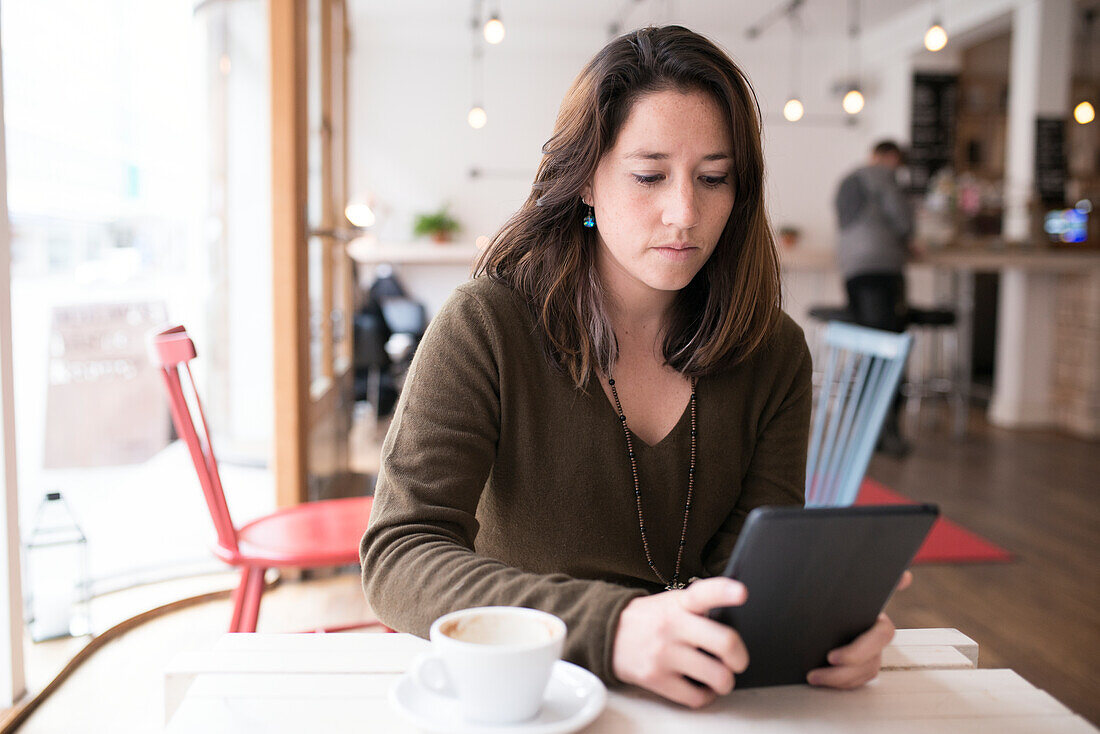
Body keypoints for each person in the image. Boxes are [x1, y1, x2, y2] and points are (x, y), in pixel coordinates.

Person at [361, 25, 906, 709]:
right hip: (532, 698)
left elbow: (744, 577)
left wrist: (816, 625)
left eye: (714, 178)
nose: (685, 212)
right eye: (649, 176)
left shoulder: (774, 354)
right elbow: (400, 552)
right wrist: (609, 628)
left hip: (702, 699)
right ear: (586, 181)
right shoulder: (487, 326)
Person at [834, 140, 918, 457]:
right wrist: (910, 238)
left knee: (870, 348)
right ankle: (888, 433)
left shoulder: (848, 180)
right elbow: (902, 218)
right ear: (891, 157)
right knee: (889, 351)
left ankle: (866, 432)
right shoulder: (883, 175)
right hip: (882, 269)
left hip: (853, 270)